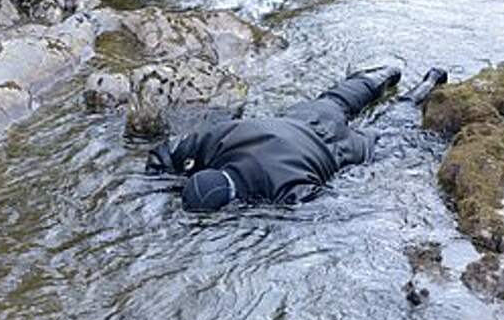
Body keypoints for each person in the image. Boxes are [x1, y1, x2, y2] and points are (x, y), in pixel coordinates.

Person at [146, 65, 448, 212]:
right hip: (302, 119)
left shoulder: (283, 189)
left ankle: (427, 85)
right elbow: (164, 154)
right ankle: (384, 74)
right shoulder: (216, 141)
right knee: (338, 99)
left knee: (387, 130)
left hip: (338, 151)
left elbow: (325, 206)